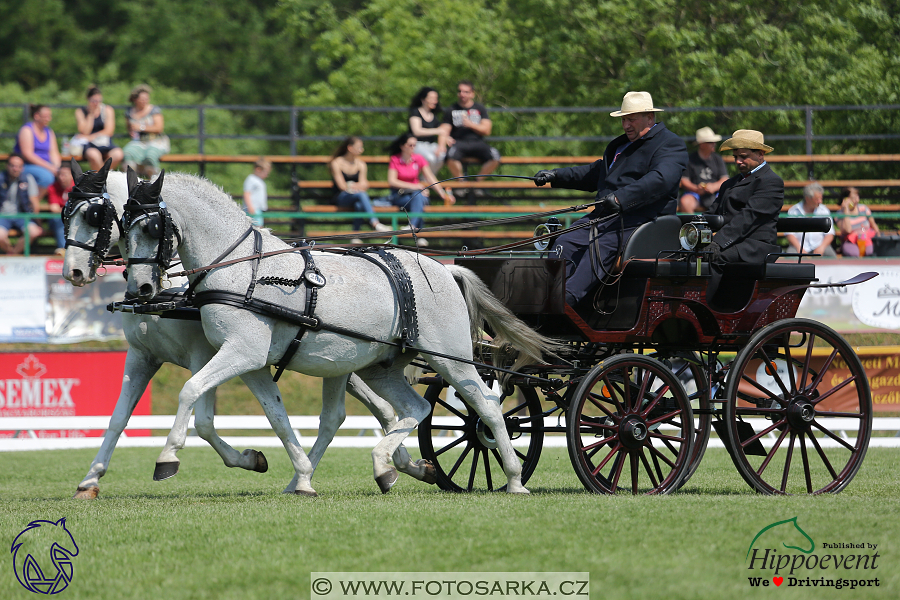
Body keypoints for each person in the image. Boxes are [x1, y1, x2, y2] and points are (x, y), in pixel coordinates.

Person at [533, 91, 688, 307]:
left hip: (641, 221)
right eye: (624, 119)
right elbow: (596, 173)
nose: (626, 125)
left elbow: (661, 179)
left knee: (600, 245)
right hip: (605, 218)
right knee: (565, 241)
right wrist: (556, 176)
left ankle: (567, 301)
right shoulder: (621, 146)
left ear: (649, 117)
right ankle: (544, 299)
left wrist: (620, 198)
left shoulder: (670, 144)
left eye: (631, 119)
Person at [706, 130, 784, 264]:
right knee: (687, 254)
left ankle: (712, 286)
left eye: (743, 156)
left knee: (714, 258)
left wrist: (718, 242)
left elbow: (748, 217)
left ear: (760, 154)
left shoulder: (770, 181)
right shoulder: (729, 183)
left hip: (755, 246)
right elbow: (712, 213)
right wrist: (693, 229)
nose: (738, 161)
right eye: (735, 157)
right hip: (732, 242)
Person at [383, 132, 453, 247]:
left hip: (415, 196)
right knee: (419, 195)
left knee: (419, 196)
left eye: (414, 145)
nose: (413, 148)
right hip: (400, 196)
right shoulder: (395, 159)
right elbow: (392, 181)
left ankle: (413, 226)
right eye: (410, 145)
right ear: (402, 146)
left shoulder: (418, 158)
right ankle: (417, 232)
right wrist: (415, 186)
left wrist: (442, 193)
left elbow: (430, 177)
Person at [441, 80, 501, 200]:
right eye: (460, 91)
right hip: (459, 143)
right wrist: (445, 137)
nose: (462, 94)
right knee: (449, 155)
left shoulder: (480, 109)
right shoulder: (452, 109)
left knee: (495, 156)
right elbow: (444, 128)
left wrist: (471, 124)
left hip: (477, 143)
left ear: (472, 94)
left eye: (466, 92)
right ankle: (462, 184)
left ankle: (477, 184)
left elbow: (487, 130)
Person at [329, 136, 392, 241]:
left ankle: (355, 235)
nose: (361, 150)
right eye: (359, 147)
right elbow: (342, 186)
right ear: (350, 148)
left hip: (356, 197)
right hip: (341, 198)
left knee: (359, 203)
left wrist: (352, 185)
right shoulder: (336, 162)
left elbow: (365, 184)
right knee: (361, 195)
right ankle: (375, 223)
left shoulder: (361, 164)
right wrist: (357, 186)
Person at [12, 104, 61, 200]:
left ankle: (57, 203)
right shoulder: (27, 130)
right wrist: (49, 167)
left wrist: (57, 167)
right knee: (46, 177)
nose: (49, 119)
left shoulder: (49, 131)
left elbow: (54, 152)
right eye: (46, 116)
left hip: (46, 165)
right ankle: (31, 205)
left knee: (66, 174)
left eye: (49, 116)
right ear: (37, 116)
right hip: (27, 165)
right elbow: (27, 154)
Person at [679, 127, 730, 213]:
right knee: (685, 202)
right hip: (695, 194)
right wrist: (696, 189)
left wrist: (714, 187)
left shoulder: (718, 159)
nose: (714, 144)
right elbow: (684, 180)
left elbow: (724, 179)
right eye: (710, 142)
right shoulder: (689, 159)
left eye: (714, 142)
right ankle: (693, 225)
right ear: (702, 144)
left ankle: (719, 225)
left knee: (728, 200)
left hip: (716, 193)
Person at [123, 84, 170, 178]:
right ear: (135, 100)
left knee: (150, 156)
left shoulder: (154, 110)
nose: (145, 101)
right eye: (142, 99)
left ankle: (154, 183)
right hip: (139, 142)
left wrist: (141, 127)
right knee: (127, 153)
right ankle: (131, 182)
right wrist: (131, 132)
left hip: (156, 141)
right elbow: (129, 127)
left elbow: (159, 128)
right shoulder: (129, 112)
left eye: (146, 98)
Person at [73, 86, 124, 171]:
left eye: (99, 101)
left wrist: (92, 136)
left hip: (104, 141)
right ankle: (102, 179)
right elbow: (84, 131)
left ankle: (100, 177)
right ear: (88, 99)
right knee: (94, 155)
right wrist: (91, 115)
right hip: (89, 145)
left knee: (118, 154)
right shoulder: (80, 111)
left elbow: (109, 131)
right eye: (94, 101)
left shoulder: (107, 109)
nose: (96, 103)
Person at [0, 154, 42, 255]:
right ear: (7, 166)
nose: (15, 169)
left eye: (19, 166)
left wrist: (37, 222)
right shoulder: (0, 178)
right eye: (13, 165)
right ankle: (11, 252)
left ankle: (13, 254)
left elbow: (34, 202)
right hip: (2, 216)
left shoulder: (27, 179)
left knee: (34, 231)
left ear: (22, 167)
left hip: (23, 215)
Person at [785, 182, 836, 256]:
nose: (820, 201)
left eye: (821, 198)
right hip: (797, 247)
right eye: (817, 199)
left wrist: (822, 247)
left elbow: (830, 234)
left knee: (832, 258)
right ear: (807, 199)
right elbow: (789, 234)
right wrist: (799, 248)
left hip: (820, 246)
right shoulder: (794, 211)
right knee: (790, 257)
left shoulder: (824, 210)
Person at [407, 86, 448, 176]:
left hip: (431, 145)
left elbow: (442, 132)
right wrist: (437, 131)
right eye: (431, 98)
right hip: (417, 144)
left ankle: (427, 181)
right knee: (430, 158)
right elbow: (417, 131)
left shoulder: (435, 116)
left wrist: (443, 143)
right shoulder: (415, 112)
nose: (434, 101)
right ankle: (426, 181)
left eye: (435, 99)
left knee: (442, 156)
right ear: (423, 99)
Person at [836, 186, 879, 257]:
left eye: (857, 196)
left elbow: (873, 224)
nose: (856, 199)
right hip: (850, 241)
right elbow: (848, 230)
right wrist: (846, 210)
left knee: (870, 251)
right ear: (846, 199)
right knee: (853, 254)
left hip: (866, 238)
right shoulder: (839, 214)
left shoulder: (863, 208)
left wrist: (878, 236)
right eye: (853, 197)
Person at [45, 163, 75, 254]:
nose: (61, 177)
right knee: (60, 219)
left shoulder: (77, 188)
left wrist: (63, 209)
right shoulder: (53, 187)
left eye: (64, 175)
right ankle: (63, 250)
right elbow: (54, 208)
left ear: (71, 176)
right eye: (60, 174)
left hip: (74, 219)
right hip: (59, 220)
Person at [243, 158, 271, 227]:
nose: (267, 175)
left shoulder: (259, 181)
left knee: (259, 227)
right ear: (258, 169)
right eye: (265, 173)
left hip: (258, 209)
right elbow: (247, 194)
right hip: (252, 209)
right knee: (256, 227)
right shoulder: (251, 179)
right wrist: (250, 207)